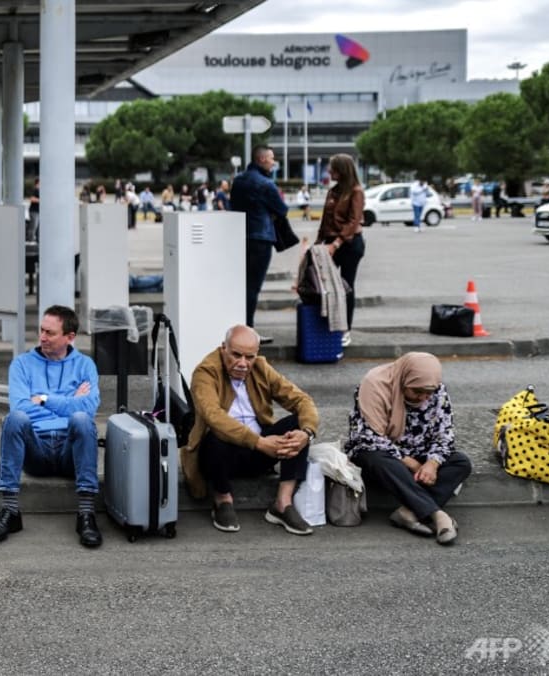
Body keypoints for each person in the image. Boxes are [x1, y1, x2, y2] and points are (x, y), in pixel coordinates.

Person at [0, 305, 102, 548]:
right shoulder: (22, 364)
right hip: (35, 449)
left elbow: (88, 409)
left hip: (71, 451)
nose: (42, 337)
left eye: (50, 333)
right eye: (41, 330)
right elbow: (20, 406)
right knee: (14, 419)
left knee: (82, 420)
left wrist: (45, 399)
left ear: (70, 337)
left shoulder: (85, 365)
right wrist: (71, 400)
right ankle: (10, 512)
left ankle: (86, 515)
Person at [183, 325, 319, 536]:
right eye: (236, 355)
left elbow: (301, 399)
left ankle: (283, 503)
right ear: (223, 349)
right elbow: (213, 416)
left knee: (297, 426)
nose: (242, 363)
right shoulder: (205, 372)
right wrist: (261, 442)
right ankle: (222, 499)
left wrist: (307, 432)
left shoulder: (260, 367)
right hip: (220, 458)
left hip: (259, 453)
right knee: (216, 436)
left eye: (249, 357)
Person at [344, 353, 472, 546]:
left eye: (428, 392)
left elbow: (445, 435)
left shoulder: (437, 391)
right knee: (377, 459)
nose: (423, 397)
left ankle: (408, 512)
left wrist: (432, 464)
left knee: (460, 462)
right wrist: (410, 463)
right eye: (417, 391)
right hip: (381, 452)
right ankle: (437, 515)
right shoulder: (374, 385)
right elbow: (368, 437)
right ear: (404, 381)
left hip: (420, 453)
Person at [230, 145, 290, 331]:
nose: (273, 162)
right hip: (261, 238)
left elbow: (233, 205)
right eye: (271, 158)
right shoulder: (266, 184)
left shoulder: (238, 181)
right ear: (262, 159)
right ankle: (248, 329)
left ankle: (237, 327)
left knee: (240, 284)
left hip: (239, 236)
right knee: (253, 286)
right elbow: (282, 209)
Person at [316, 154, 365, 348]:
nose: (329, 171)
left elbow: (353, 222)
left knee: (346, 286)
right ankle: (328, 324)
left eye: (333, 169)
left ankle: (345, 329)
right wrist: (318, 242)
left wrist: (336, 243)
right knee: (323, 285)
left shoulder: (356, 191)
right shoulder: (333, 191)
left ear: (342, 171)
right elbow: (325, 220)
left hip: (349, 244)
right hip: (328, 243)